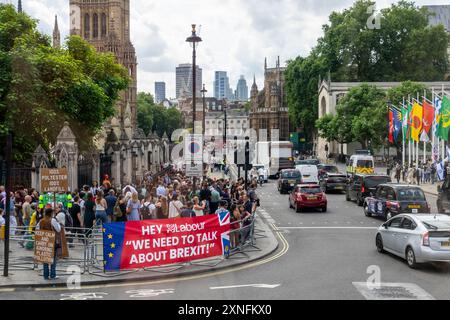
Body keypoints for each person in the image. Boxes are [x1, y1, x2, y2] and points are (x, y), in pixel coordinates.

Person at [36, 208, 61, 280]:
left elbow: (37, 229)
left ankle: (45, 275)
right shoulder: (53, 220)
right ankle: (53, 275)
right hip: (52, 241)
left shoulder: (41, 221)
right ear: (51, 213)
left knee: (45, 259)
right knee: (53, 259)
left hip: (44, 241)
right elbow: (58, 229)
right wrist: (58, 223)